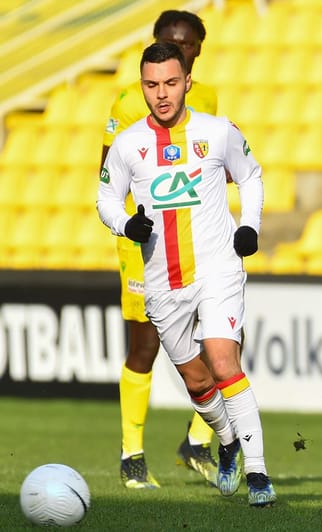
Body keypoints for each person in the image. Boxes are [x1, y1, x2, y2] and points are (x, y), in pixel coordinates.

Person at [97, 42, 276, 507]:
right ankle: (228, 442)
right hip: (163, 281)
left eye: (171, 83)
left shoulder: (217, 132)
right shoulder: (128, 143)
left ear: (187, 82)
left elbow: (252, 175)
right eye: (152, 85)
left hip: (218, 269)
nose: (162, 94)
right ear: (142, 87)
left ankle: (259, 475)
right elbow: (106, 199)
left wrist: (249, 227)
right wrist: (125, 223)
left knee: (222, 361)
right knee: (198, 383)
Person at [100, 10, 219, 489]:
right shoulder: (130, 101)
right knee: (145, 346)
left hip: (197, 242)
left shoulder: (206, 98)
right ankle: (132, 454)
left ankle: (196, 442)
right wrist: (135, 224)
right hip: (145, 245)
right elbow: (106, 174)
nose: (180, 48)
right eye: (170, 41)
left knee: (225, 337)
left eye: (188, 44)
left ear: (197, 53)